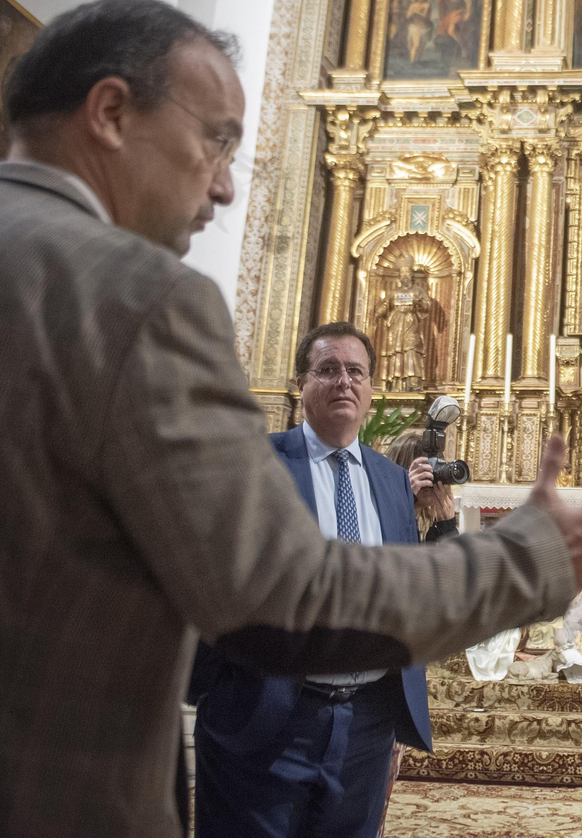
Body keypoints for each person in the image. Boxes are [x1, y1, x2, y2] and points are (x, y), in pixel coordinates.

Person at [0, 0, 582, 838]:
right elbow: (284, 601)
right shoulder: (140, 296)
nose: (227, 181)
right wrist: (534, 553)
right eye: (216, 138)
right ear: (111, 111)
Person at [188, 323, 441, 838]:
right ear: (301, 382)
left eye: (356, 372)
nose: (343, 381)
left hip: (365, 726)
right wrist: (220, 688)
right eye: (327, 370)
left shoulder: (392, 480)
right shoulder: (254, 463)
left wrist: (391, 716)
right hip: (268, 719)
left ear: (372, 390)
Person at [387, 427, 458, 542]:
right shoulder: (384, 519)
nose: (432, 478)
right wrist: (406, 497)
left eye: (435, 468)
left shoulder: (429, 525)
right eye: (424, 469)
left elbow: (448, 559)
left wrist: (447, 526)